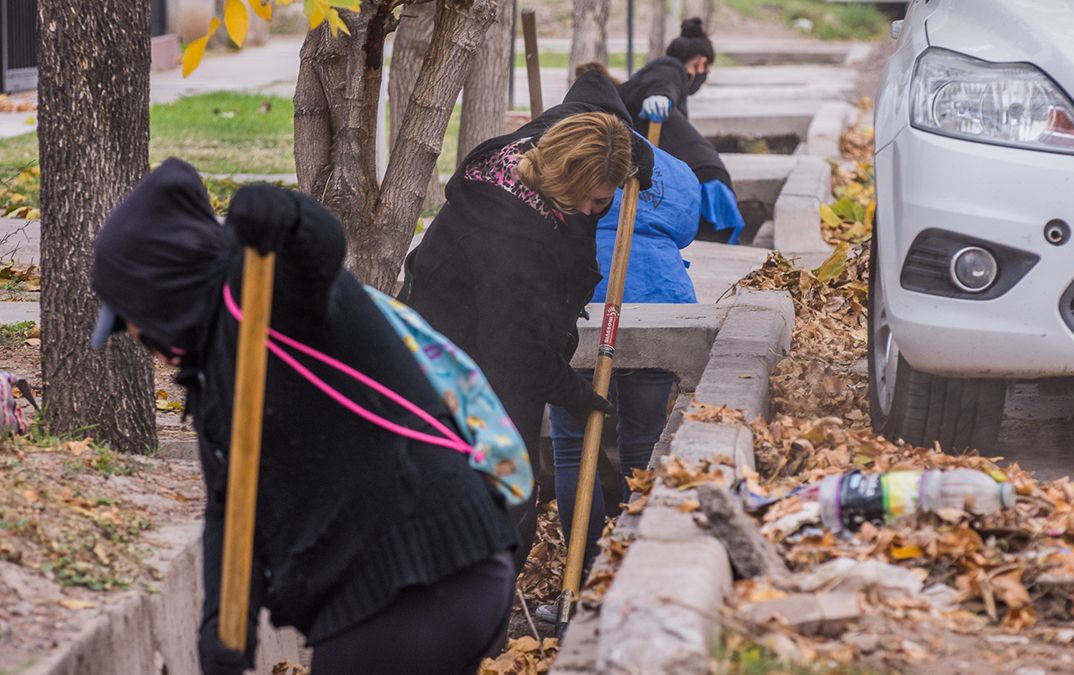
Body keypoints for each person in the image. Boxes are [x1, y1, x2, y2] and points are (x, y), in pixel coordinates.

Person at [90, 159, 519, 675]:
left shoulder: (268, 292)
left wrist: (287, 214)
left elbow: (318, 250)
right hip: (409, 589)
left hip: (428, 576)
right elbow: (232, 511)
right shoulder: (213, 375)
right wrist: (222, 629)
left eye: (131, 319)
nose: (137, 336)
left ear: (160, 289)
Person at [400, 70, 654, 573]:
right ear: (560, 174)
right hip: (455, 363)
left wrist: (630, 160)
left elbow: (594, 96)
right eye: (585, 198)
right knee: (504, 501)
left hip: (491, 346)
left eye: (602, 202)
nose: (589, 210)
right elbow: (516, 350)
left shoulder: (545, 145)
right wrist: (577, 394)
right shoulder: (511, 240)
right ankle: (480, 630)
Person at [545, 107, 702, 577]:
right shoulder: (672, 167)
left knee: (573, 448)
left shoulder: (562, 155)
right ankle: (627, 568)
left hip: (585, 304)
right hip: (660, 299)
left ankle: (591, 566)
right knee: (644, 441)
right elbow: (688, 228)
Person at [619, 17, 747, 245]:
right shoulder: (669, 69)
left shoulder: (660, 71)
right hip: (702, 175)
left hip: (703, 180)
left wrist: (661, 97)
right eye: (707, 69)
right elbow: (663, 84)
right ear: (701, 63)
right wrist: (661, 96)